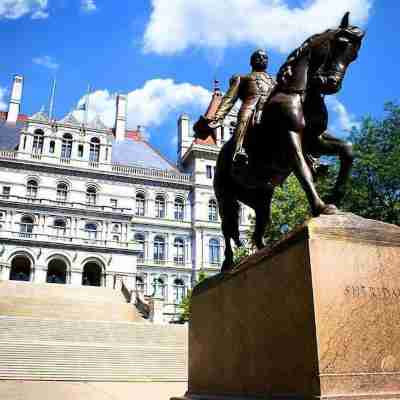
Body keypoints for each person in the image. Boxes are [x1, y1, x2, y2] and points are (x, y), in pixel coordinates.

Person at [209, 49, 276, 164]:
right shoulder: (243, 78)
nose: (262, 59)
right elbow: (229, 99)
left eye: (265, 58)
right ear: (251, 62)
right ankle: (238, 150)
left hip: (269, 108)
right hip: (251, 106)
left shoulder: (274, 81)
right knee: (245, 117)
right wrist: (219, 117)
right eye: (258, 57)